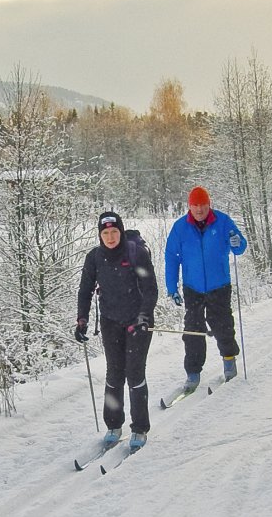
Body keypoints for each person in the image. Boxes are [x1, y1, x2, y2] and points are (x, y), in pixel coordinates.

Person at [76, 211, 159, 450]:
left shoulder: (136, 253)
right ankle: (113, 425)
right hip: (111, 321)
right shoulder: (94, 258)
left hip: (137, 322)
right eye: (105, 233)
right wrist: (82, 319)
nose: (110, 237)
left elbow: (150, 288)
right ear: (100, 235)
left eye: (114, 232)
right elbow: (85, 290)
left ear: (121, 231)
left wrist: (144, 315)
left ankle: (140, 428)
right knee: (114, 373)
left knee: (134, 372)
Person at [164, 186, 247, 389]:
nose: (199, 209)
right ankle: (193, 373)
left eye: (203, 205)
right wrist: (171, 287)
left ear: (209, 204)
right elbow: (171, 259)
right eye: (195, 205)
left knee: (223, 324)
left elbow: (240, 247)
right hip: (193, 287)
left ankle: (229, 361)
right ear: (189, 206)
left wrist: (237, 242)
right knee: (193, 329)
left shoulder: (223, 221)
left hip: (219, 285)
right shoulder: (180, 228)